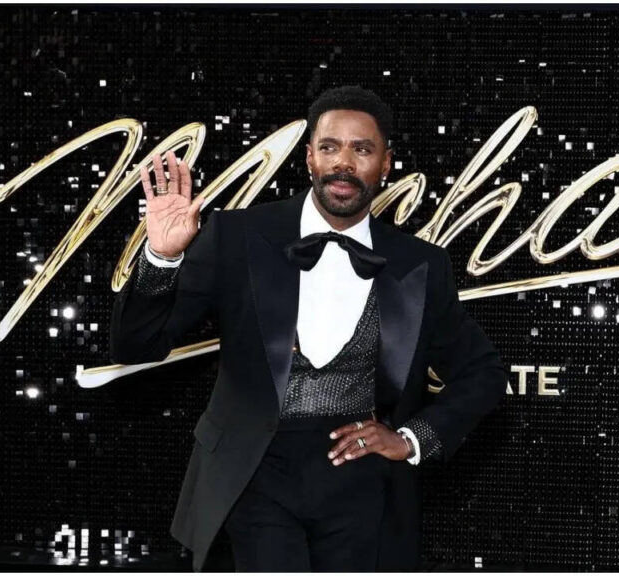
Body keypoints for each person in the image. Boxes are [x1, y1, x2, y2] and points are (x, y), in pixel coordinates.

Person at [109, 85, 508, 572]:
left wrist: (411, 437)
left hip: (363, 486)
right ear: (309, 158)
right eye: (329, 147)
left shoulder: (420, 264)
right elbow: (137, 344)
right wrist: (161, 257)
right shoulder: (238, 235)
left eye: (362, 149)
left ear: (386, 163)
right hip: (251, 476)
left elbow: (483, 373)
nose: (344, 163)